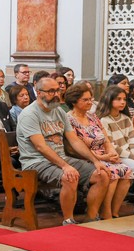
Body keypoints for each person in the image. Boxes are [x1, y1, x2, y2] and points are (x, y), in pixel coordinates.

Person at [16, 77, 110, 225]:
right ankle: (68, 220)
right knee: (69, 176)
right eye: (51, 91)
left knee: (102, 175)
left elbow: (74, 140)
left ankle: (91, 217)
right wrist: (65, 166)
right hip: (36, 162)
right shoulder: (29, 114)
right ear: (39, 92)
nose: (56, 94)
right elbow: (41, 147)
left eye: (58, 90)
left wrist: (95, 161)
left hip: (60, 158)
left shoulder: (58, 111)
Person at [65, 85, 132, 220]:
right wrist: (102, 157)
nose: (90, 102)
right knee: (110, 172)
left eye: (91, 99)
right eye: (85, 100)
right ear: (74, 102)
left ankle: (114, 211)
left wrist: (112, 153)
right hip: (86, 156)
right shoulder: (69, 119)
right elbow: (74, 148)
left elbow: (106, 139)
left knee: (126, 171)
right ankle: (105, 212)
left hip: (104, 155)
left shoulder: (92, 117)